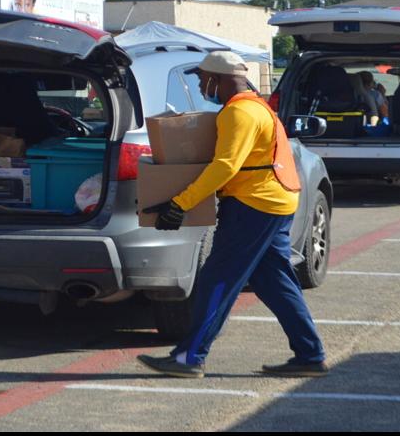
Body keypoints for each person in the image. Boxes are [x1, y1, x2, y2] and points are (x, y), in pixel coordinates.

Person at [138, 51, 327, 379]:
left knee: (218, 279)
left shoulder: (238, 113)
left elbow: (226, 166)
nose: (201, 85)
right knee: (274, 282)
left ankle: (189, 357)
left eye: (202, 79)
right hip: (276, 202)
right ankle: (310, 355)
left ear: (218, 78)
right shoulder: (257, 107)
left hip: (254, 205)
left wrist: (181, 202)